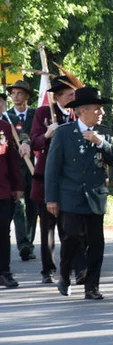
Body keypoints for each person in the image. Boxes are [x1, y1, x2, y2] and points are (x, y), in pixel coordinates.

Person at [44, 86, 113, 300]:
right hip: (70, 196)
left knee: (96, 243)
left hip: (95, 196)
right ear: (82, 111)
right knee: (71, 237)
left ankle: (92, 286)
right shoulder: (63, 133)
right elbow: (52, 169)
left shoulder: (104, 132)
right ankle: (64, 274)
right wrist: (51, 198)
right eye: (98, 109)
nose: (102, 113)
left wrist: (100, 142)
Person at [30, 76, 83, 285]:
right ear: (58, 97)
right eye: (70, 95)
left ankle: (76, 268)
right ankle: (48, 270)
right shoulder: (44, 113)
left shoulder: (76, 113)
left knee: (72, 228)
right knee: (48, 228)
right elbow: (34, 141)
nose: (73, 98)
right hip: (47, 178)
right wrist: (47, 134)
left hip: (71, 179)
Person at [5, 80, 37, 264]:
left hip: (34, 167)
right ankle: (24, 245)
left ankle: (29, 241)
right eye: (13, 93)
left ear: (27, 96)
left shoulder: (37, 114)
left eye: (19, 93)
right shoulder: (6, 117)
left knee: (33, 208)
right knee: (19, 207)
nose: (15, 96)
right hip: (15, 169)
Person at [0, 95, 24, 288]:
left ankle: (4, 272)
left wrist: (17, 186)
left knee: (3, 231)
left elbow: (12, 160)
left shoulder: (5, 128)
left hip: (3, 190)